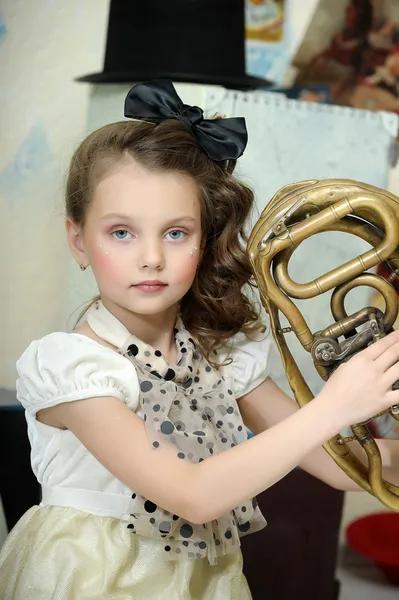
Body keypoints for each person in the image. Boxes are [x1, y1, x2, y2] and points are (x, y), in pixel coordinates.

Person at [1, 79, 399, 600]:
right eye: (122, 232)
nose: (151, 258)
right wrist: (338, 403)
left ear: (205, 240)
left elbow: (341, 466)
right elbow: (192, 495)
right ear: (79, 241)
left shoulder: (221, 357)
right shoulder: (76, 368)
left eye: (175, 233)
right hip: (94, 581)